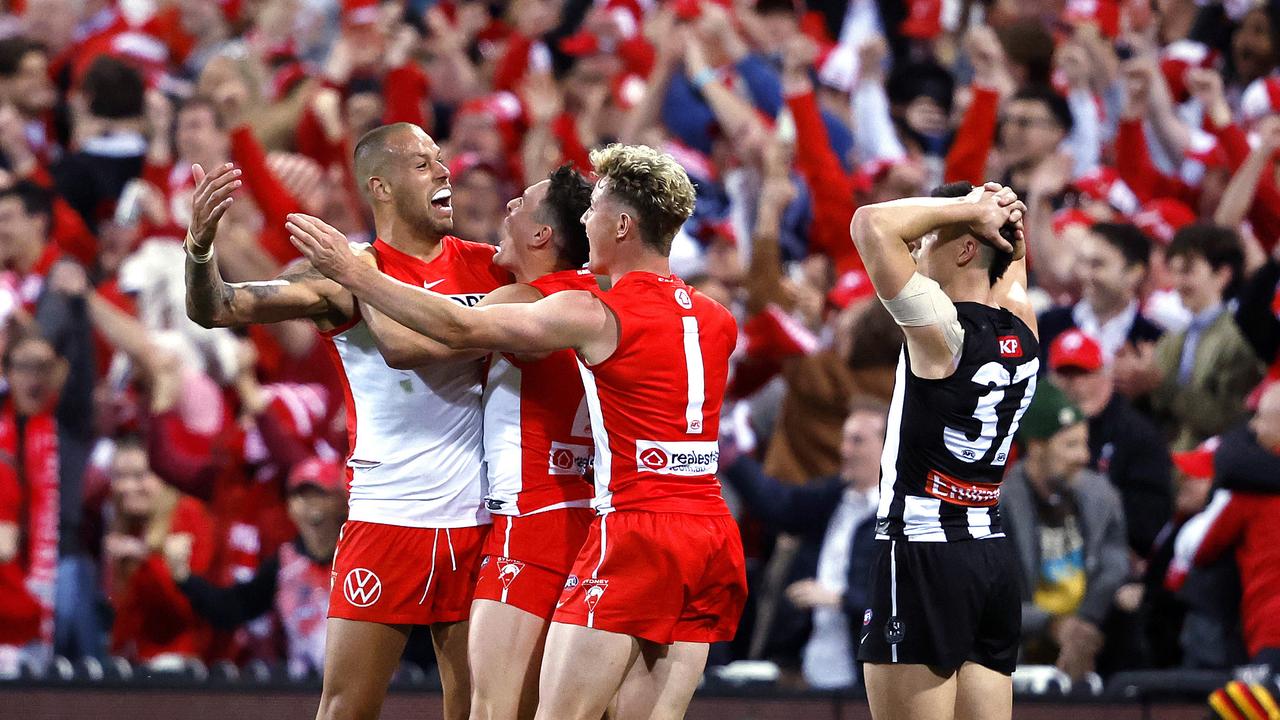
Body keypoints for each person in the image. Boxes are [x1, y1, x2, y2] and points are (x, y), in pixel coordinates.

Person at [286, 143, 747, 720]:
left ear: (624, 224)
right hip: (706, 529)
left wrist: (359, 271)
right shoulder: (715, 317)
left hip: (569, 526)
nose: (586, 220)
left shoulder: (578, 309)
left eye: (596, 209)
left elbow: (440, 333)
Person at [184, 122, 508, 720]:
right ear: (380, 187)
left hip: (484, 520)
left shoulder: (493, 268)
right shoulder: (340, 275)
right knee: (345, 709)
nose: (445, 172)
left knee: (478, 710)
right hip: (389, 519)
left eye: (441, 159)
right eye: (423, 163)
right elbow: (218, 307)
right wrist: (200, 247)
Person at [847, 180, 1037, 720]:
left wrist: (970, 209)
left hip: (922, 551)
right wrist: (1001, 220)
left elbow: (869, 224)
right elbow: (1014, 265)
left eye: (927, 240)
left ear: (967, 246)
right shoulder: (1024, 325)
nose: (914, 248)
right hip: (990, 555)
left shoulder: (941, 332)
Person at [467, 165, 598, 720]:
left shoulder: (527, 300)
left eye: (519, 202)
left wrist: (356, 278)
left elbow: (415, 339)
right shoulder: (599, 299)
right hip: (591, 526)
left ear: (543, 235)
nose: (506, 209)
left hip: (532, 526)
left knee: (495, 709)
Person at [721, 399, 887, 689]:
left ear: (888, 447)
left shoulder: (901, 516)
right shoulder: (832, 497)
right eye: (845, 439)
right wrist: (734, 460)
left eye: (857, 441)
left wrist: (841, 599)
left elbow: (906, 599)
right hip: (806, 668)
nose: (845, 450)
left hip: (866, 675)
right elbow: (779, 503)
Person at [1000, 382, 1129, 682]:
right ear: (1036, 447)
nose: (1083, 456)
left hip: (1090, 637)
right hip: (1017, 650)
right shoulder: (1000, 505)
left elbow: (1114, 565)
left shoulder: (1100, 495)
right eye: (1070, 445)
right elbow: (990, 601)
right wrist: (1052, 624)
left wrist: (1084, 623)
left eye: (1084, 443)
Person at [172, 457, 348, 676]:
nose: (311, 505)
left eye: (320, 494)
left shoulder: (358, 560)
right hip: (302, 688)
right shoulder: (285, 564)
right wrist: (185, 578)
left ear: (342, 502)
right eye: (301, 495)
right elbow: (236, 607)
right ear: (290, 506)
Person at [1113, 224, 1264, 451]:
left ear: (1222, 275)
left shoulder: (1242, 339)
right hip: (1166, 465)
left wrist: (1160, 384)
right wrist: (1135, 384)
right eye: (1173, 271)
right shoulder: (1170, 340)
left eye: (1187, 271)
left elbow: (1230, 418)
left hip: (1213, 467)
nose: (1177, 283)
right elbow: (1156, 414)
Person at [1170, 384, 1280, 675]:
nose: (1252, 429)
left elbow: (1201, 546)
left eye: (1259, 419)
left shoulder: (1249, 489)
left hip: (1271, 629)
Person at [1048, 329, 1173, 558]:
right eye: (1064, 375)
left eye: (1083, 374)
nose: (1073, 384)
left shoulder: (1137, 433)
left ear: (1104, 375)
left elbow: (1151, 520)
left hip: (1115, 554)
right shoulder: (1042, 430)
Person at [103, 434, 216, 665]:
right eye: (119, 476)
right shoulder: (128, 525)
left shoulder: (188, 514)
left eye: (139, 476)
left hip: (184, 660)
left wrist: (146, 555)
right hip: (138, 661)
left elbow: (191, 609)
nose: (125, 487)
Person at [1037, 223, 1163, 362]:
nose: (1085, 273)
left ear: (1134, 272)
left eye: (1097, 264)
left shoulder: (1154, 339)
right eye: (1083, 262)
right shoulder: (1048, 325)